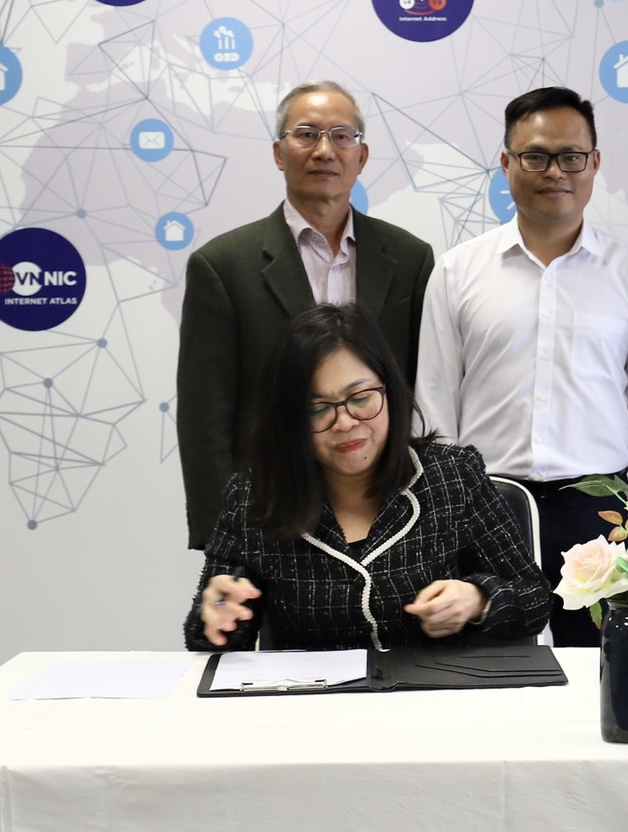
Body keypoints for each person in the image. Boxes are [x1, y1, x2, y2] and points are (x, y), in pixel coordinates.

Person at [418, 87, 628, 646]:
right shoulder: (459, 271)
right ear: (506, 162)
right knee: (487, 664)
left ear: (595, 162)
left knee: (603, 663)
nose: (555, 171)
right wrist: (460, 495)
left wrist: (596, 453)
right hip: (487, 502)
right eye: (535, 156)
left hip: (597, 510)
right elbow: (434, 398)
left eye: (571, 156)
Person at [187, 303, 554, 652]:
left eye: (360, 398)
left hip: (434, 691)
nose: (345, 423)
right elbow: (207, 634)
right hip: (311, 694)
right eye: (318, 409)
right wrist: (217, 617)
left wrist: (478, 599)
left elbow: (534, 598)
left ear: (389, 391)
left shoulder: (453, 476)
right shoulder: (255, 497)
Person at [175, 82, 434, 552]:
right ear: (279, 153)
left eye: (341, 136)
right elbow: (204, 419)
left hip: (386, 509)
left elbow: (420, 392)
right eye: (306, 134)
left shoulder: (410, 258)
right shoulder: (224, 266)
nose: (324, 150)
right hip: (272, 511)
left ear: (361, 155)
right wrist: (223, 540)